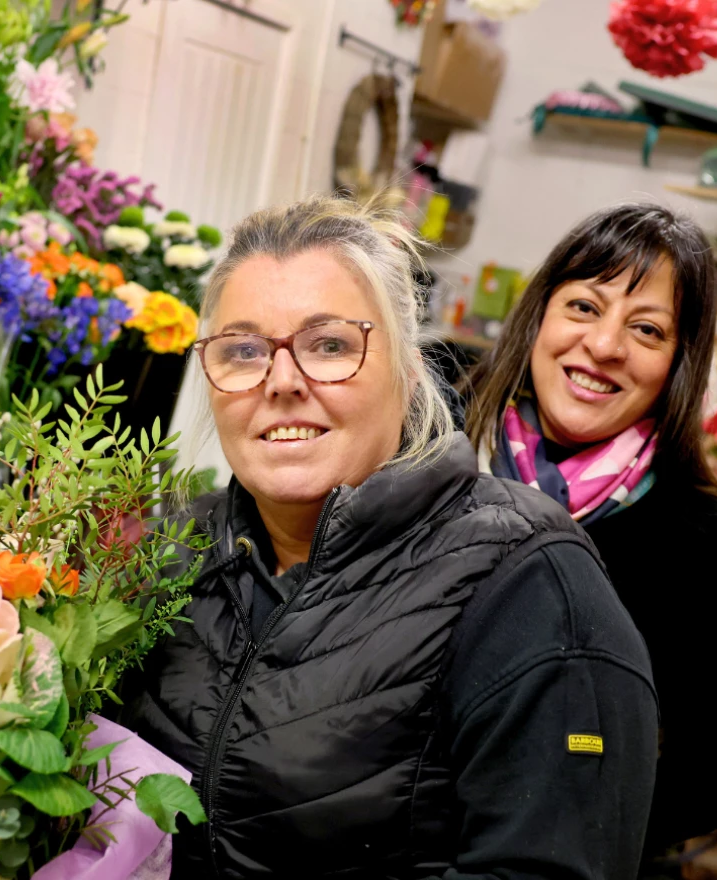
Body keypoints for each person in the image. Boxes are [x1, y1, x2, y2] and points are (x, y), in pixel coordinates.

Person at [127, 197, 660, 879]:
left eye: (330, 346)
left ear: (409, 376)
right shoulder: (166, 551)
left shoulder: (528, 583)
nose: (282, 381)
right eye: (243, 351)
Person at [463, 203, 717, 858]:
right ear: (540, 315)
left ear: (678, 364)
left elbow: (710, 781)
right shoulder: (435, 460)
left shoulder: (714, 546)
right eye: (583, 306)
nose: (605, 346)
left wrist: (541, 837)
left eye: (646, 329)